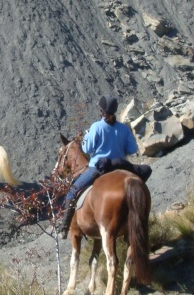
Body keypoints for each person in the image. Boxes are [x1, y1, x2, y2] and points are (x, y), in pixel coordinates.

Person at [59, 95, 139, 239]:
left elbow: (87, 149)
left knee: (72, 191)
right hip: (121, 166)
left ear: (101, 111)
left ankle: (64, 228)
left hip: (99, 168)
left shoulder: (96, 127)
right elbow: (133, 149)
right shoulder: (123, 129)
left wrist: (87, 137)